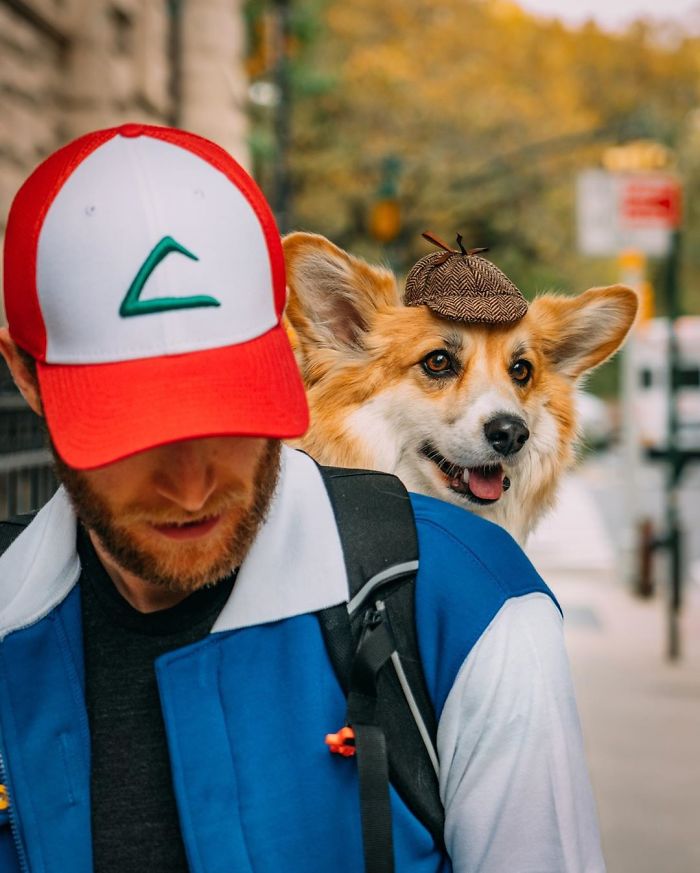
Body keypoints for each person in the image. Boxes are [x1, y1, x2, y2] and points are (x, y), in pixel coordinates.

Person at [0, 123, 605, 873]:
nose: (192, 487)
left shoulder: (478, 607)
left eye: (230, 413)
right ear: (26, 378)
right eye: (129, 429)